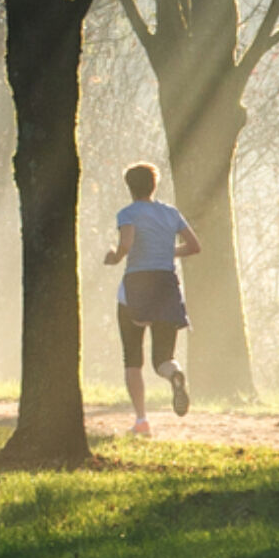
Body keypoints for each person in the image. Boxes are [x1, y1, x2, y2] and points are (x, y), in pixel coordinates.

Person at [104, 162, 200, 437]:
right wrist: (167, 252)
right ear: (154, 185)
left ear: (129, 187)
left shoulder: (128, 214)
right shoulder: (171, 213)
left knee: (132, 358)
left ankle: (141, 421)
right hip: (167, 286)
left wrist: (115, 257)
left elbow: (127, 243)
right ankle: (174, 375)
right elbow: (194, 246)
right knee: (163, 358)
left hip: (137, 286)